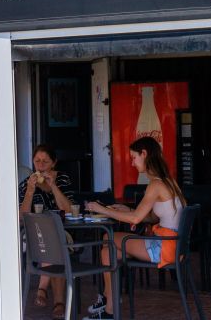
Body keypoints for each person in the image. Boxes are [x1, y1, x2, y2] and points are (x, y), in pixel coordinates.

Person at [83, 137, 185, 320]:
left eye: (134, 157)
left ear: (144, 154)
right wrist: (129, 210)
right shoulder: (168, 181)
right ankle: (109, 307)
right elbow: (153, 217)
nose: (131, 162)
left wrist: (102, 209)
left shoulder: (156, 184)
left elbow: (136, 219)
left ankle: (109, 302)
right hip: (172, 246)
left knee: (109, 238)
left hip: (163, 248)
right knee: (107, 252)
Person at [19, 144, 75, 318]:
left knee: (56, 240)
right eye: (37, 161)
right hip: (33, 234)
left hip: (62, 232)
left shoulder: (63, 179)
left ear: (53, 163)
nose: (41, 165)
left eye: (45, 161)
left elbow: (70, 210)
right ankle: (58, 302)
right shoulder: (26, 183)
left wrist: (54, 187)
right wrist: (29, 191)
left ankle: (42, 288)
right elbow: (22, 217)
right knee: (50, 240)